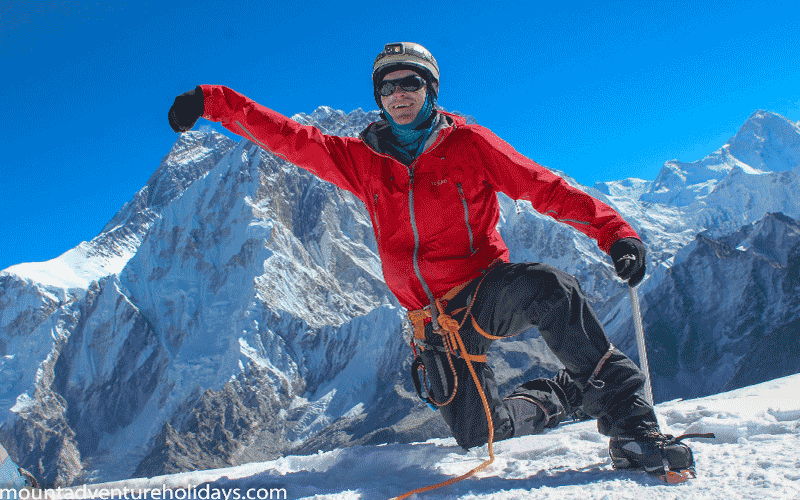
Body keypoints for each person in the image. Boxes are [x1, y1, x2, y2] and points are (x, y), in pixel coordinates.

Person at [168, 42, 701, 480]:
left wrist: (615, 234)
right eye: (388, 86)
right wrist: (213, 101)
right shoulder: (362, 162)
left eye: (410, 83)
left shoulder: (468, 144)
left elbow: (543, 187)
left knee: (548, 287)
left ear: (431, 89)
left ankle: (631, 426)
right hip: (430, 320)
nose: (399, 95)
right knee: (477, 434)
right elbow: (288, 138)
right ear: (378, 97)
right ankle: (559, 396)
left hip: (484, 290)